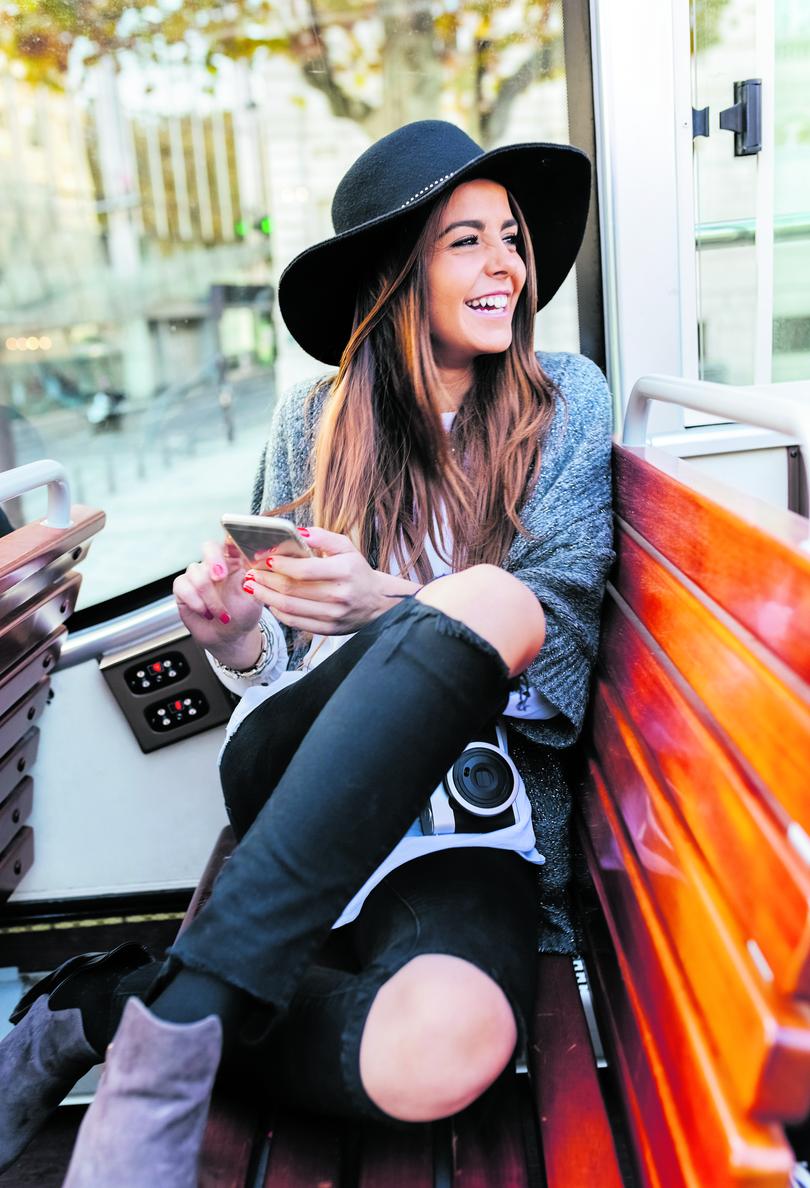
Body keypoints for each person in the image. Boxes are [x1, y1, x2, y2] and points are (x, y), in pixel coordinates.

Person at [0, 119, 613, 1186]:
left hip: (473, 822)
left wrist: (386, 603)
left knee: (447, 1049)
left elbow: (558, 655)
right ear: (399, 268)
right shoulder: (312, 421)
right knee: (482, 595)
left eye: (511, 237)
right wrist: (234, 634)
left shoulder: (566, 403)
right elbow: (269, 661)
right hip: (294, 775)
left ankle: (112, 1010)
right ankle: (168, 1033)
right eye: (465, 241)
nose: (506, 265)